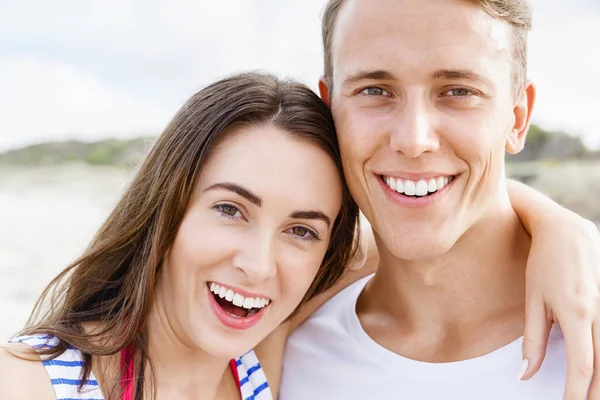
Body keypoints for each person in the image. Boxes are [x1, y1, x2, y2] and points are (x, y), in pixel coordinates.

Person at [279, 0, 600, 399]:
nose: (413, 140)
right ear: (330, 110)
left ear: (517, 117)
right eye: (375, 90)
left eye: (459, 92)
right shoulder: (281, 349)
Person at [0, 72, 361, 399]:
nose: (258, 266)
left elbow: (395, 249)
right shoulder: (23, 382)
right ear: (166, 208)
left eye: (301, 230)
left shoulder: (257, 366)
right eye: (230, 209)